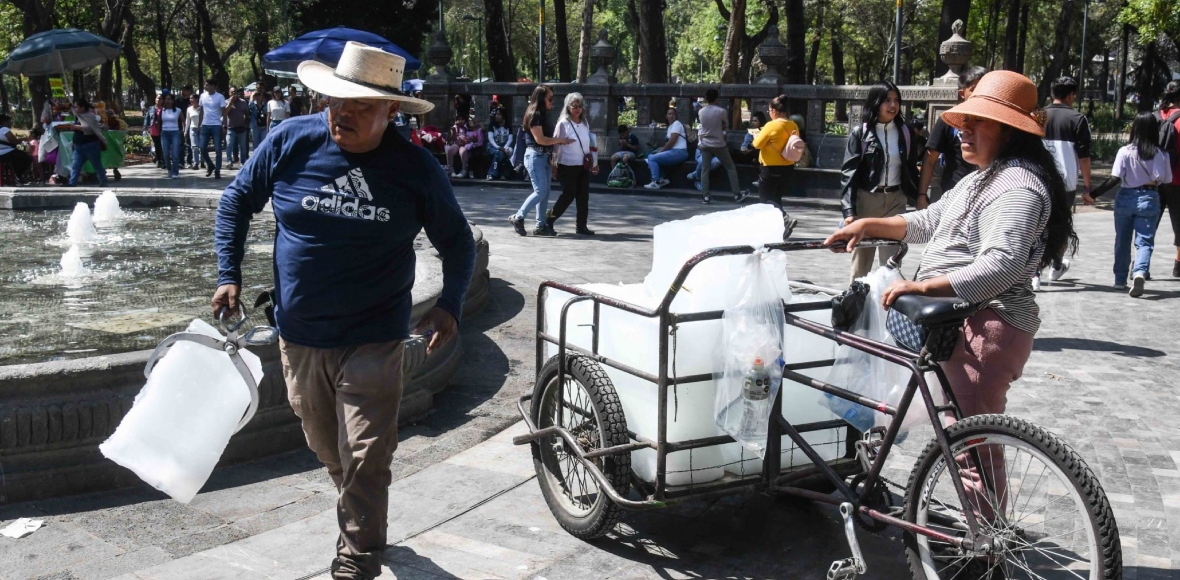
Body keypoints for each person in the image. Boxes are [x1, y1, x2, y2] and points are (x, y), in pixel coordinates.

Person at [212, 41, 474, 580]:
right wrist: (227, 273)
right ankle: (363, 512)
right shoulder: (291, 140)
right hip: (300, 333)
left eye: (360, 105)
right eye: (336, 100)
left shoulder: (415, 168)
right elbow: (236, 200)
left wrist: (449, 303)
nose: (342, 113)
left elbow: (458, 241)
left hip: (374, 335)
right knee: (330, 448)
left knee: (367, 451)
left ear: (392, 111)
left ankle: (356, 558)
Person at [825, 70, 1077, 523]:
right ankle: (981, 536)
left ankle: (985, 545)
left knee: (973, 451)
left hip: (986, 327)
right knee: (964, 439)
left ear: (1010, 130)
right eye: (966, 120)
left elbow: (1001, 264)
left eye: (979, 122)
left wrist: (924, 286)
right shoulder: (983, 178)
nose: (964, 129)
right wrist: (866, 224)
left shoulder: (1019, 186)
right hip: (958, 325)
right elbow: (927, 221)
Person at [837, 81, 919, 282]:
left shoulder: (905, 132)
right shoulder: (861, 133)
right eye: (887, 100)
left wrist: (919, 197)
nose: (893, 105)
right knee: (861, 262)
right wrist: (849, 211)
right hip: (867, 200)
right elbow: (849, 173)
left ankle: (888, 300)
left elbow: (910, 168)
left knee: (892, 261)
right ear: (876, 102)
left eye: (896, 100)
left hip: (896, 201)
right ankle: (856, 300)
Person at [1095, 113, 1173, 296]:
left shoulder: (1124, 151)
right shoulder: (1161, 154)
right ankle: (1139, 272)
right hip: (1150, 197)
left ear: (1135, 128)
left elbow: (1115, 177)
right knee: (1145, 242)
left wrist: (1093, 194)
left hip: (1125, 197)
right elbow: (1167, 179)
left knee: (1122, 239)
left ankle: (1119, 280)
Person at [1036, 76, 1092, 289]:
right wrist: (1088, 187)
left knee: (1036, 226)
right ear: (1071, 95)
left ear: (1052, 93)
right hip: (1065, 183)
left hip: (1038, 179)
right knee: (1061, 226)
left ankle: (1034, 273)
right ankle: (1056, 265)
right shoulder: (1078, 119)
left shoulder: (1038, 116)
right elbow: (1084, 157)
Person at [508, 85, 575, 237]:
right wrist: (561, 140)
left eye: (553, 98)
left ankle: (541, 225)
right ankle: (518, 217)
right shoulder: (535, 114)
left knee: (545, 192)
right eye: (550, 98)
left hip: (544, 156)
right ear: (541, 98)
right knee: (540, 191)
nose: (552, 102)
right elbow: (540, 139)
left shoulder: (543, 114)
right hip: (535, 155)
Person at [918, 66, 988, 205]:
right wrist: (922, 195)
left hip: (989, 192)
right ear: (962, 93)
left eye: (984, 88)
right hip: (954, 193)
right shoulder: (948, 120)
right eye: (974, 89)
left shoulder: (998, 121)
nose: (980, 93)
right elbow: (930, 159)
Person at [549, 92, 599, 235]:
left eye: (579, 106)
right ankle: (549, 219)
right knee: (568, 195)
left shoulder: (584, 123)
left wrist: (595, 162)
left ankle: (581, 225)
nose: (577, 109)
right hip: (567, 165)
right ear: (568, 107)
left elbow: (590, 144)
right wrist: (554, 165)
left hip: (583, 165)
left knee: (583, 196)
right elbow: (556, 146)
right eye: (574, 106)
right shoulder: (563, 123)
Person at [696, 88, 749, 204]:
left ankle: (705, 196)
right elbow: (726, 125)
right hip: (719, 143)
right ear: (717, 98)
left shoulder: (701, 111)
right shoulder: (721, 111)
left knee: (705, 169)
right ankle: (737, 194)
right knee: (730, 167)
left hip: (705, 143)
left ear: (706, 98)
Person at [752, 95, 803, 211]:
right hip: (788, 166)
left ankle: (784, 216)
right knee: (776, 196)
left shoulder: (770, 125)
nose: (769, 113)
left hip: (770, 167)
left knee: (765, 199)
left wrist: (755, 136)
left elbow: (757, 144)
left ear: (774, 111)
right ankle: (781, 219)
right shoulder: (793, 125)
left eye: (769, 111)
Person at [1153, 81, 1180, 278]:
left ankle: (1140, 265)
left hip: (1153, 179)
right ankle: (1178, 265)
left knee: (1148, 223)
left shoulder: (1153, 116)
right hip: (1177, 179)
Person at [60, 97, 108, 187]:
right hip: (78, 146)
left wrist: (76, 127)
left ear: (82, 107)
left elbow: (91, 129)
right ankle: (72, 182)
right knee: (75, 165)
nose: (75, 109)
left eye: (76, 107)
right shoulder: (78, 116)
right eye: (74, 107)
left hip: (90, 145)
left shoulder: (90, 116)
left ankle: (103, 181)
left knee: (97, 165)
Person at [643, 108, 689, 189]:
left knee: (652, 158)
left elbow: (672, 140)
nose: (671, 116)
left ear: (676, 116)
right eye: (669, 114)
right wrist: (659, 150)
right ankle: (662, 179)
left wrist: (662, 150)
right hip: (673, 151)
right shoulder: (670, 127)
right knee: (649, 156)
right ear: (666, 116)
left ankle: (656, 181)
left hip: (679, 152)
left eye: (673, 114)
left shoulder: (677, 124)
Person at [198, 78, 228, 179]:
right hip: (205, 124)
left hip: (216, 125)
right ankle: (210, 165)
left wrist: (224, 125)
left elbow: (224, 112)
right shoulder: (202, 96)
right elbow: (201, 111)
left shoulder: (220, 97)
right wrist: (199, 125)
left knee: (218, 149)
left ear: (213, 86)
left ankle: (217, 170)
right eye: (205, 84)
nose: (206, 86)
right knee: (202, 147)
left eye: (208, 85)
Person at [0, 115, 33, 182]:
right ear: (4, 121)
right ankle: (17, 175)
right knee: (27, 158)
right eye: (9, 121)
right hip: (6, 152)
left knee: (18, 158)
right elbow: (14, 141)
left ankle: (13, 175)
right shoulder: (4, 129)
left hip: (3, 153)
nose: (10, 123)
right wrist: (25, 139)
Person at [158, 93, 184, 179]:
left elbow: (183, 121)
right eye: (166, 99)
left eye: (169, 99)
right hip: (164, 133)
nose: (167, 101)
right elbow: (158, 122)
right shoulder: (162, 110)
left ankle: (175, 172)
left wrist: (183, 131)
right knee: (166, 154)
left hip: (175, 133)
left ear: (173, 101)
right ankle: (169, 168)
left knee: (175, 154)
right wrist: (159, 132)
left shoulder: (178, 110)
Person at [224, 86, 250, 169]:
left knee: (242, 146)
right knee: (229, 145)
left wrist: (246, 123)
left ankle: (243, 162)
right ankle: (229, 162)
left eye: (235, 92)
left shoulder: (243, 102)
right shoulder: (226, 102)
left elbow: (246, 113)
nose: (234, 93)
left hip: (241, 127)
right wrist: (231, 102)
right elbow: (225, 112)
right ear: (229, 93)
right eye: (232, 92)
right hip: (231, 128)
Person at [485, 110, 514, 181]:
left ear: (503, 116)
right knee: (498, 152)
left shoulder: (508, 126)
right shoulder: (492, 126)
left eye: (499, 114)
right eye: (496, 114)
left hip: (505, 146)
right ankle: (500, 174)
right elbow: (491, 139)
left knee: (502, 153)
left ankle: (491, 174)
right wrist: (498, 147)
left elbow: (510, 139)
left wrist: (504, 148)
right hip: (493, 146)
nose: (496, 116)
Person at [145, 94, 164, 168]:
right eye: (157, 98)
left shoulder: (164, 109)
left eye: (160, 99)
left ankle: (161, 159)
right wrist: (146, 126)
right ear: (155, 100)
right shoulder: (151, 108)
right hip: (153, 129)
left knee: (161, 145)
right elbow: (147, 118)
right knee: (157, 145)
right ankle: (159, 160)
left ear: (162, 100)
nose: (159, 100)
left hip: (162, 128)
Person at [186, 94, 203, 169]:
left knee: (202, 146)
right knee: (194, 146)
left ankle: (202, 162)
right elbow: (187, 121)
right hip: (192, 128)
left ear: (196, 99)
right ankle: (196, 163)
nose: (191, 100)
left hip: (202, 128)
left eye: (192, 98)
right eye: (190, 98)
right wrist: (185, 131)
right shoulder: (189, 109)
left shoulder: (202, 108)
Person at [179, 85, 195, 166]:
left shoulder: (191, 101)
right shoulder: (178, 101)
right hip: (180, 125)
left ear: (189, 91)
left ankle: (189, 161)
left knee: (189, 144)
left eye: (184, 90)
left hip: (190, 124)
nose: (182, 92)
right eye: (182, 90)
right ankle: (181, 162)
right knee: (181, 144)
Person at [248, 89, 268, 154]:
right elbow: (249, 106)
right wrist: (252, 96)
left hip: (264, 126)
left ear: (262, 96)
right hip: (255, 126)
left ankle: (263, 156)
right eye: (256, 95)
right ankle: (256, 156)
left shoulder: (265, 105)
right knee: (255, 144)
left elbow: (268, 114)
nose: (257, 96)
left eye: (259, 95)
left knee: (263, 143)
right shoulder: (253, 104)